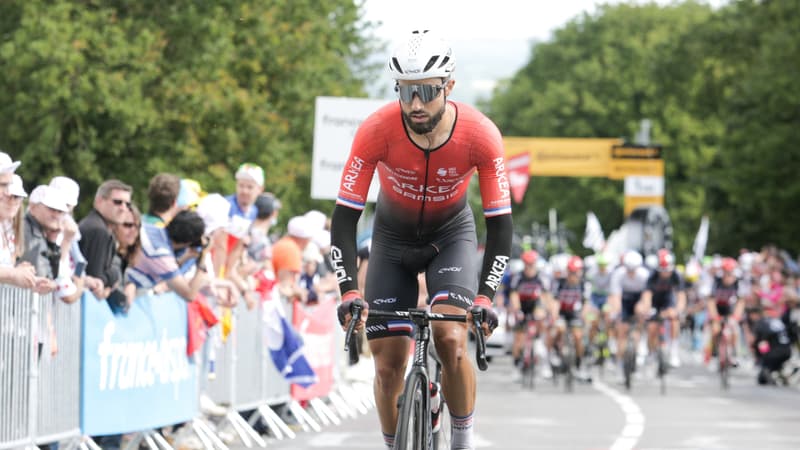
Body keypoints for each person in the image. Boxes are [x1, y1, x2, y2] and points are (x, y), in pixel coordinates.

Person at [331, 30, 512, 450]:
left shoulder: (480, 134)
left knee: (451, 339)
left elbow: (500, 226)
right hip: (391, 241)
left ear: (449, 86)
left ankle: (462, 442)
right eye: (406, 92)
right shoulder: (376, 129)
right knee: (387, 364)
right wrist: (348, 290)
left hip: (451, 237)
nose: (415, 104)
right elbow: (343, 218)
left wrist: (485, 296)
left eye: (427, 91)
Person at [78, 179, 133, 305]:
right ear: (99, 201)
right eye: (117, 202)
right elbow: (96, 280)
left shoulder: (101, 228)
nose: (123, 208)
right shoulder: (98, 230)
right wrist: (114, 275)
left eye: (127, 204)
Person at [640, 249, 686, 368]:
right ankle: (651, 351)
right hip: (654, 301)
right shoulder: (652, 276)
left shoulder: (676, 275)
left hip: (667, 300)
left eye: (668, 270)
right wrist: (648, 309)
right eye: (663, 271)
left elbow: (681, 296)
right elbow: (647, 295)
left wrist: (678, 310)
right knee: (652, 327)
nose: (665, 273)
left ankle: (673, 351)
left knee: (674, 320)